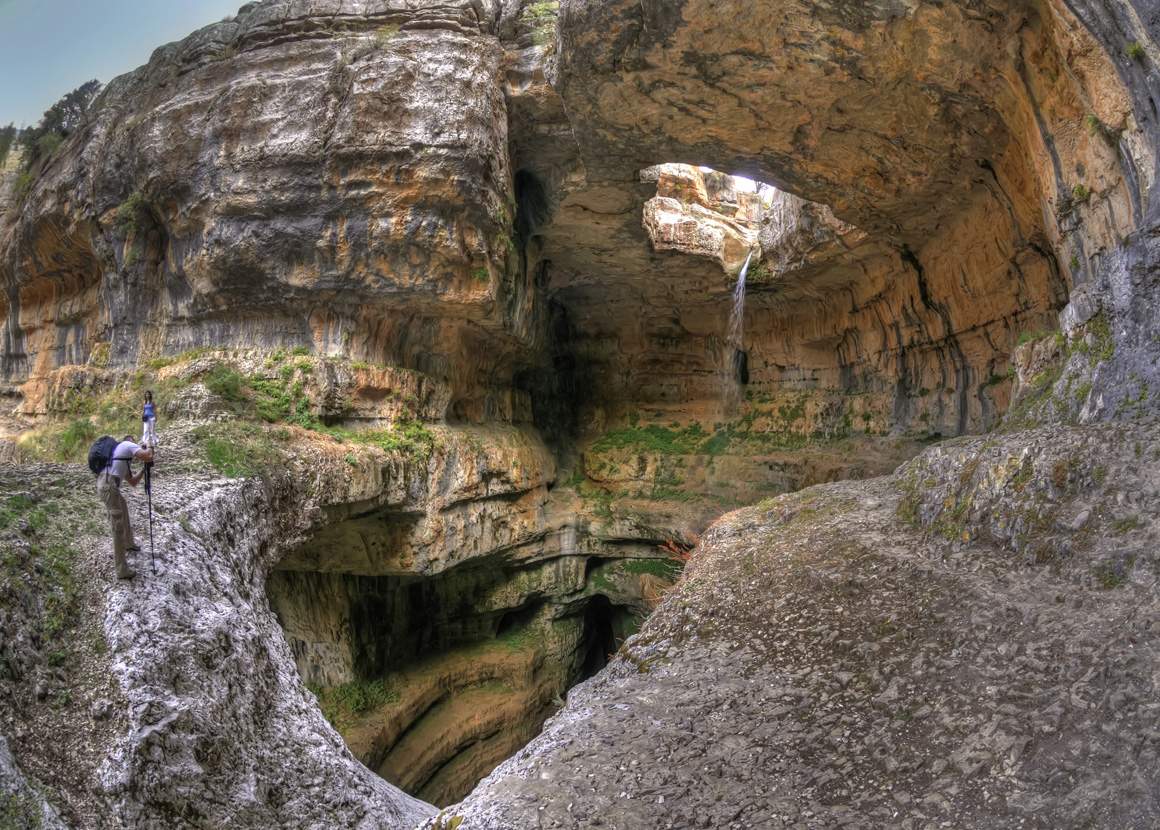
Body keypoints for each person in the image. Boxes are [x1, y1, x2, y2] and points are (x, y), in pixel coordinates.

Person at [96, 436, 154, 580]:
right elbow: (147, 455)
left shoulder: (121, 459)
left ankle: (129, 543)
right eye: (134, 442)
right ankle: (121, 569)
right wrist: (149, 445)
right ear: (129, 441)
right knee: (117, 526)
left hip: (108, 485)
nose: (136, 445)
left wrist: (143, 469)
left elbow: (133, 481)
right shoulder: (127, 444)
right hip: (109, 485)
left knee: (124, 507)